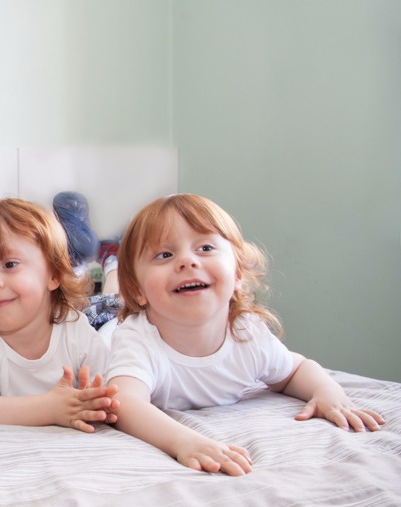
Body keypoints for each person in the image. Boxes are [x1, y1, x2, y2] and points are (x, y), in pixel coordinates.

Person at [106, 193, 384, 476]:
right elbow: (126, 404)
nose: (187, 261)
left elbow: (296, 370)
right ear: (139, 290)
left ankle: (112, 258)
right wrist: (184, 441)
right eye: (164, 254)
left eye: (204, 248)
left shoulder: (246, 334)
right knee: (106, 302)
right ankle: (111, 264)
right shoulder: (136, 339)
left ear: (238, 273)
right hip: (105, 325)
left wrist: (327, 392)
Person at [0, 198, 119, 430]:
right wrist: (51, 408)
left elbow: (115, 391)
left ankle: (113, 263)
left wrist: (96, 399)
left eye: (9, 265)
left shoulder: (73, 327)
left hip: (95, 314)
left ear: (54, 275)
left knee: (116, 311)